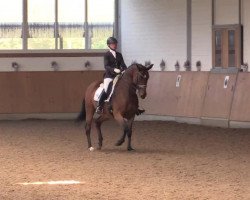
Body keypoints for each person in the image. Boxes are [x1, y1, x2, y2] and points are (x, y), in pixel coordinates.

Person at [95, 37, 145, 115]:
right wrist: (114, 69)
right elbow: (106, 66)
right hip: (109, 76)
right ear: (109, 45)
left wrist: (125, 70)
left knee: (130, 86)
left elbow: (123, 64)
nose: (114, 45)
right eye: (113, 44)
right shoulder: (106, 55)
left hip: (119, 75)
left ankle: (136, 106)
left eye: (115, 44)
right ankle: (100, 106)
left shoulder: (119, 54)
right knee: (106, 89)